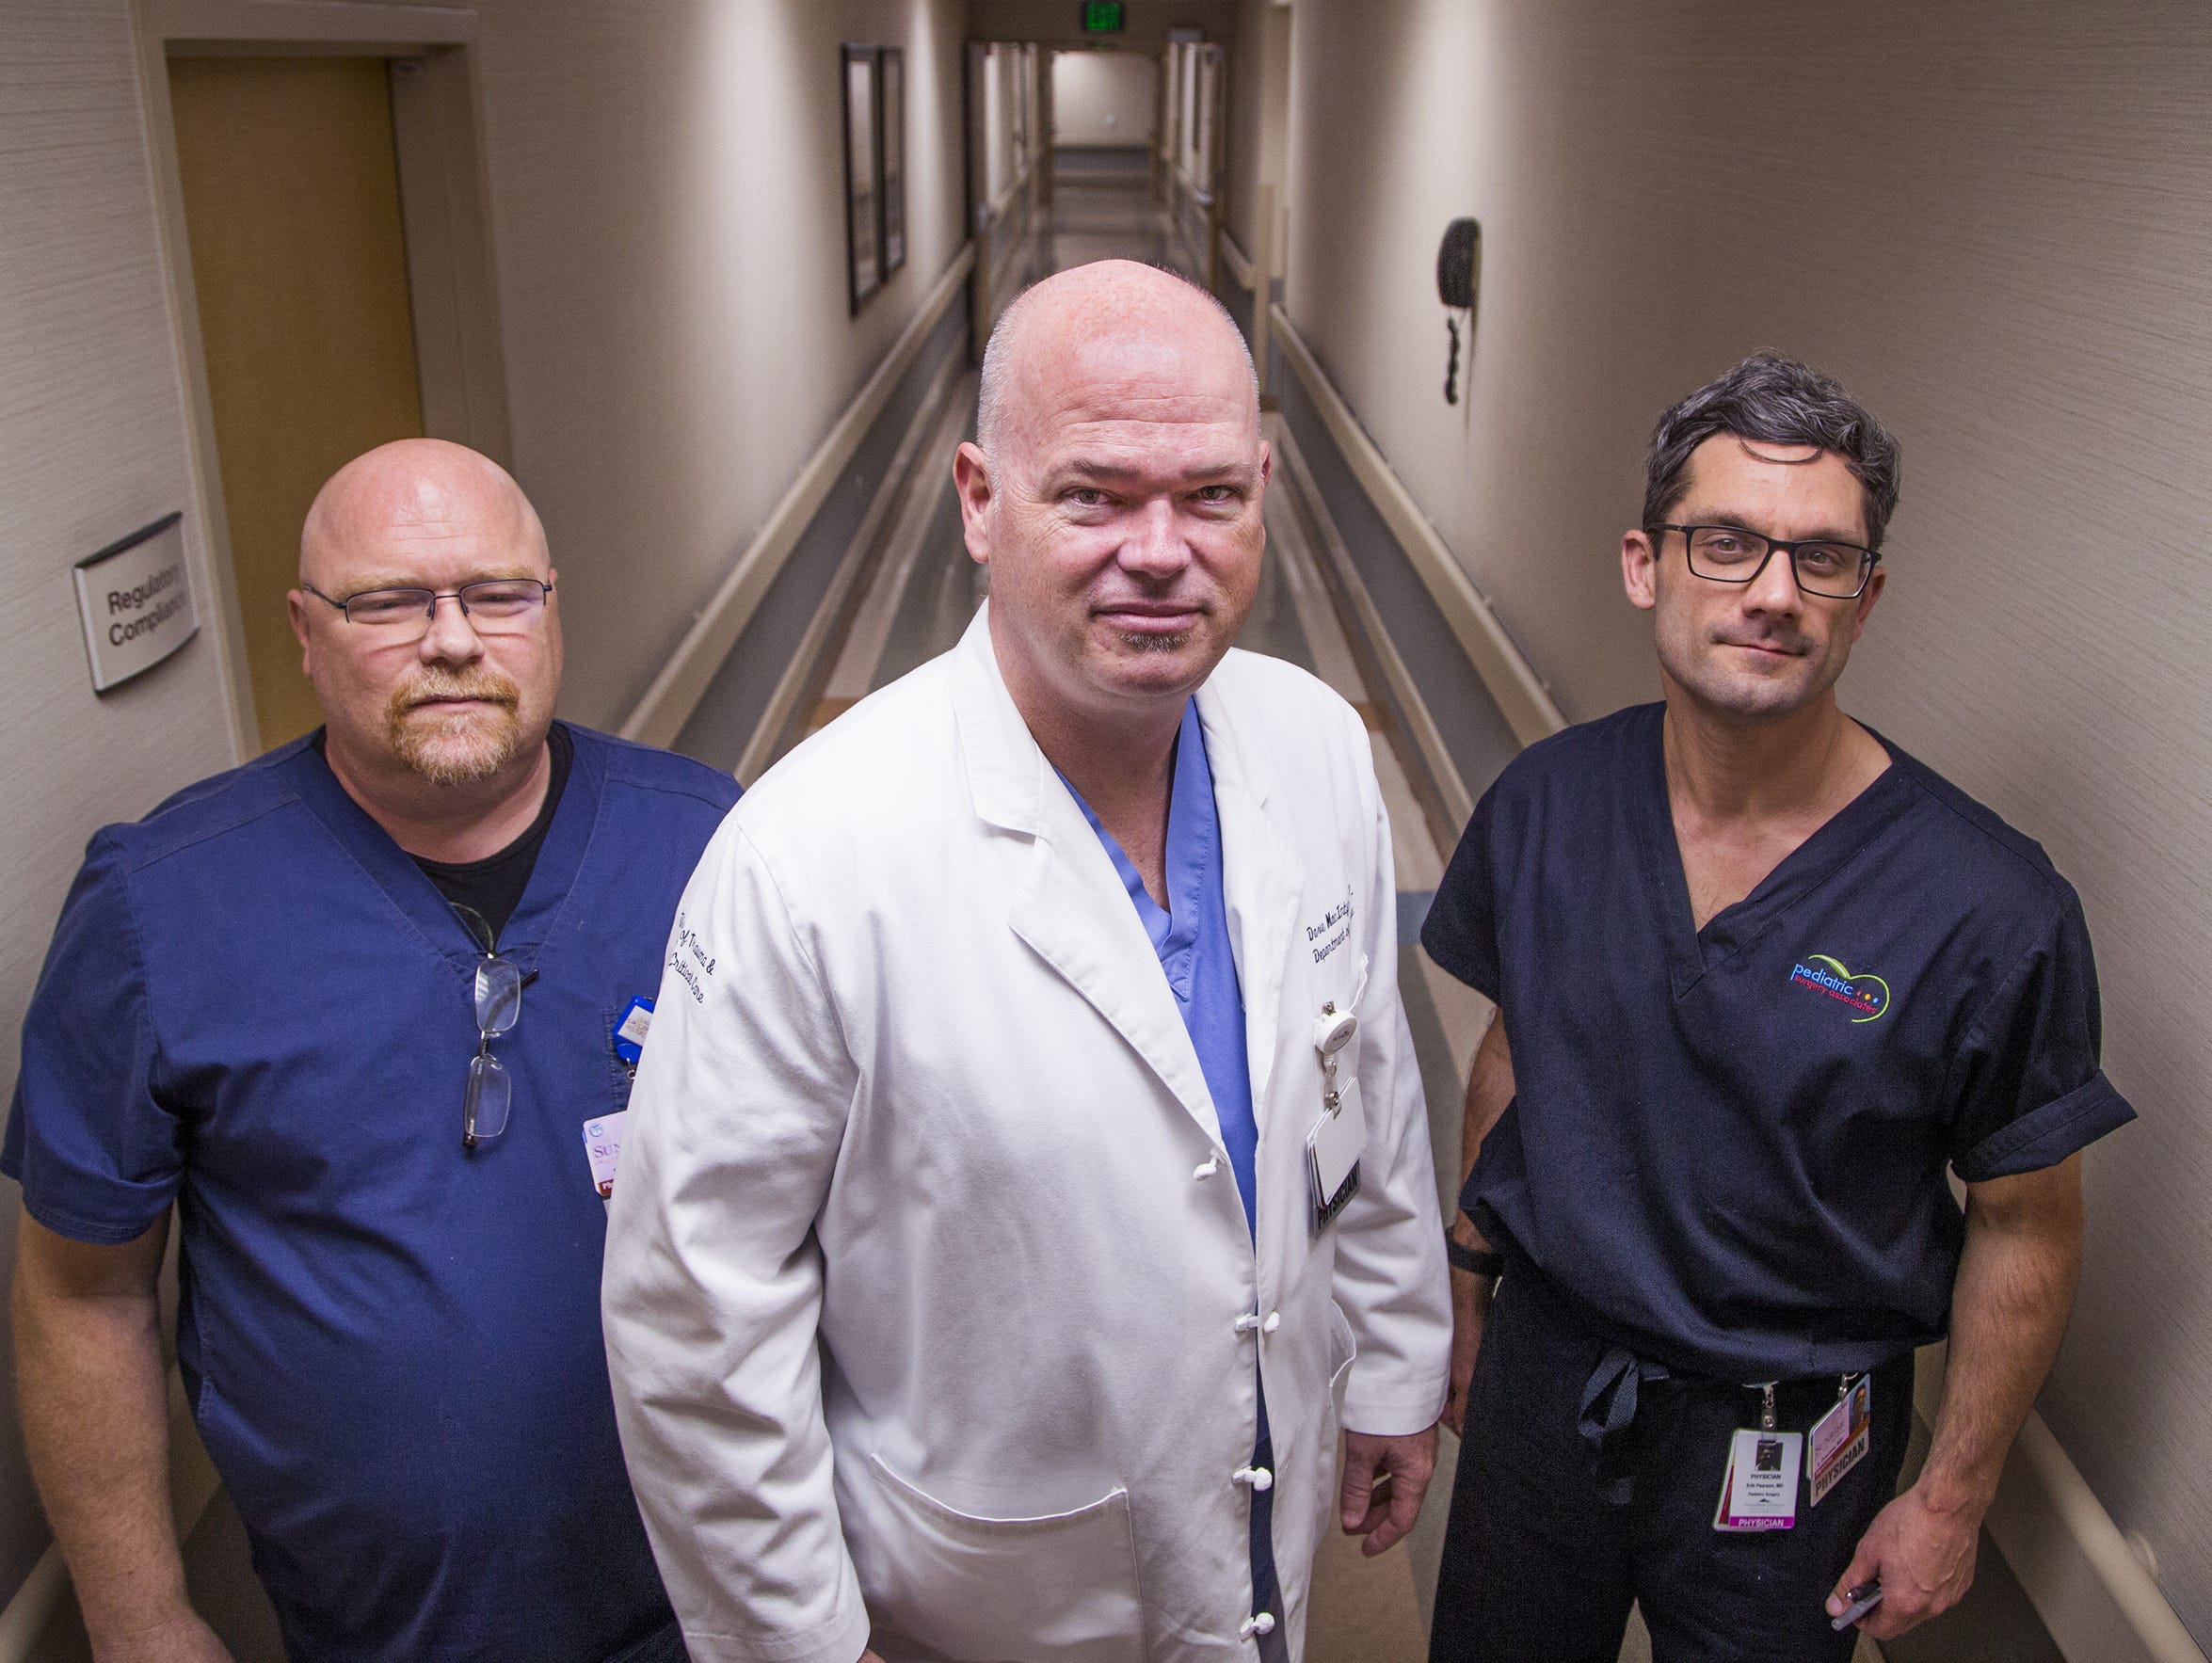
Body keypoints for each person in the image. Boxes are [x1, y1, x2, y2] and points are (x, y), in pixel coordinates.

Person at [601, 260, 1451, 1663]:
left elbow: (1364, 1082)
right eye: (1095, 495)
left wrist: (1393, 1367)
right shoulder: (810, 854)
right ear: (980, 501)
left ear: (1262, 489)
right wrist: (801, 1645)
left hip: (1261, 1513)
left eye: (1211, 496)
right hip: (978, 1593)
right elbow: (699, 1320)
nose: (1161, 549)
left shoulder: (1311, 748)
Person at [1421, 354, 2135, 1661]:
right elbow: (1517, 1047)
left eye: (1820, 561)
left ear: (1866, 598)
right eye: (1727, 543)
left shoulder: (1985, 905)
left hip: (1791, 1441)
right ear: (1645, 563)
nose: (1770, 595)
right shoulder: (1546, 807)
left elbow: (2027, 1220)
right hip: (1544, 1383)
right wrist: (1465, 1289)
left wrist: (1953, 1497)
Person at [8, 439, 738, 1662]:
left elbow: (849, 1215)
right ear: (303, 632)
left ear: (551, 606)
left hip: (723, 1596)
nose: (451, 640)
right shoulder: (161, 909)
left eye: (496, 595)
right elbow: (82, 1293)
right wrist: (140, 1619)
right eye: (387, 601)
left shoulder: (714, 847)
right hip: (381, 1630)